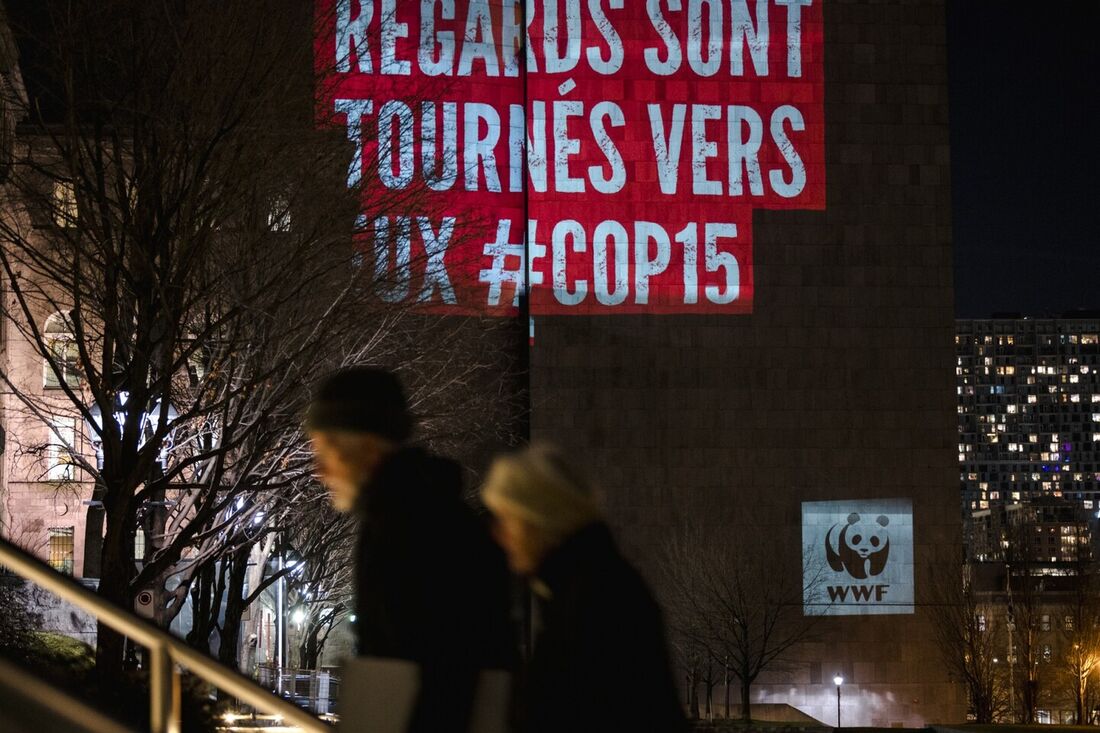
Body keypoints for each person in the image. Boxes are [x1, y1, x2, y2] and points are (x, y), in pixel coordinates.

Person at [306, 367, 513, 732]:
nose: (319, 470)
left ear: (366, 447)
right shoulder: (421, 513)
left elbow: (443, 673)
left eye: (327, 450)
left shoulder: (408, 527)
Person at [481, 444, 688, 733]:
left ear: (534, 519)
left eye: (505, 519)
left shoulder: (595, 595)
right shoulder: (579, 584)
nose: (499, 534)